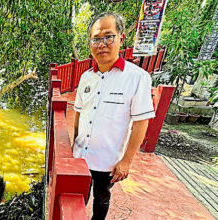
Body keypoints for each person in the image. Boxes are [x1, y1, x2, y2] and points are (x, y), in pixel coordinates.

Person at [73, 12, 155, 220]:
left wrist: (126, 161)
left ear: (121, 38)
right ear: (90, 43)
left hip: (107, 160)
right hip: (80, 155)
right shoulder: (86, 77)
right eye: (96, 39)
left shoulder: (137, 78)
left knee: (101, 197)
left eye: (108, 37)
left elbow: (141, 122)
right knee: (75, 198)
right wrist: (72, 143)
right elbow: (79, 113)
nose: (102, 45)